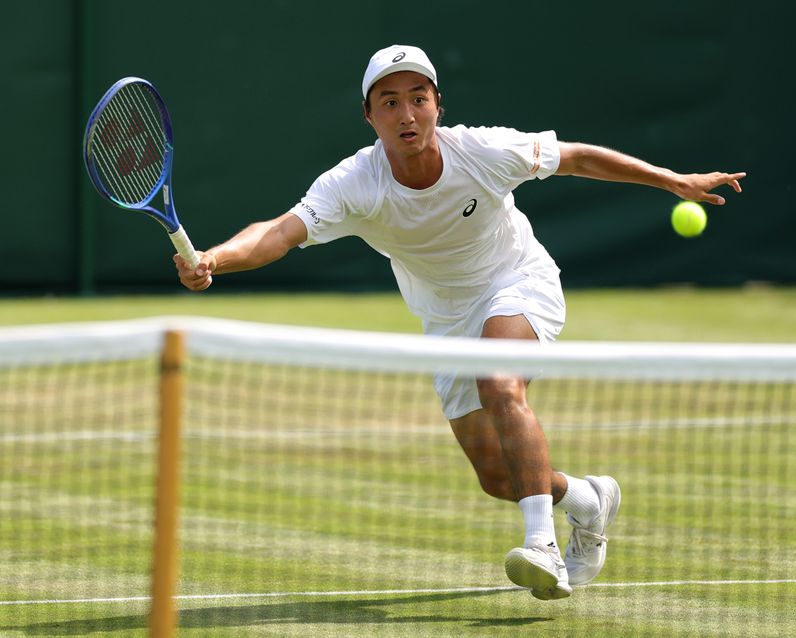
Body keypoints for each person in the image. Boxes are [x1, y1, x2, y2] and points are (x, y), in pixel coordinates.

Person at [174, 44, 745, 600]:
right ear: (369, 116)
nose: (406, 113)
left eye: (417, 98)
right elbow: (279, 232)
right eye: (390, 102)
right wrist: (214, 260)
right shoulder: (353, 183)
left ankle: (542, 545)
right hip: (446, 321)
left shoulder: (482, 150)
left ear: (436, 106)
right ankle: (587, 501)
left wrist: (670, 179)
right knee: (497, 477)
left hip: (518, 282)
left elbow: (575, 157)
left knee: (499, 381)